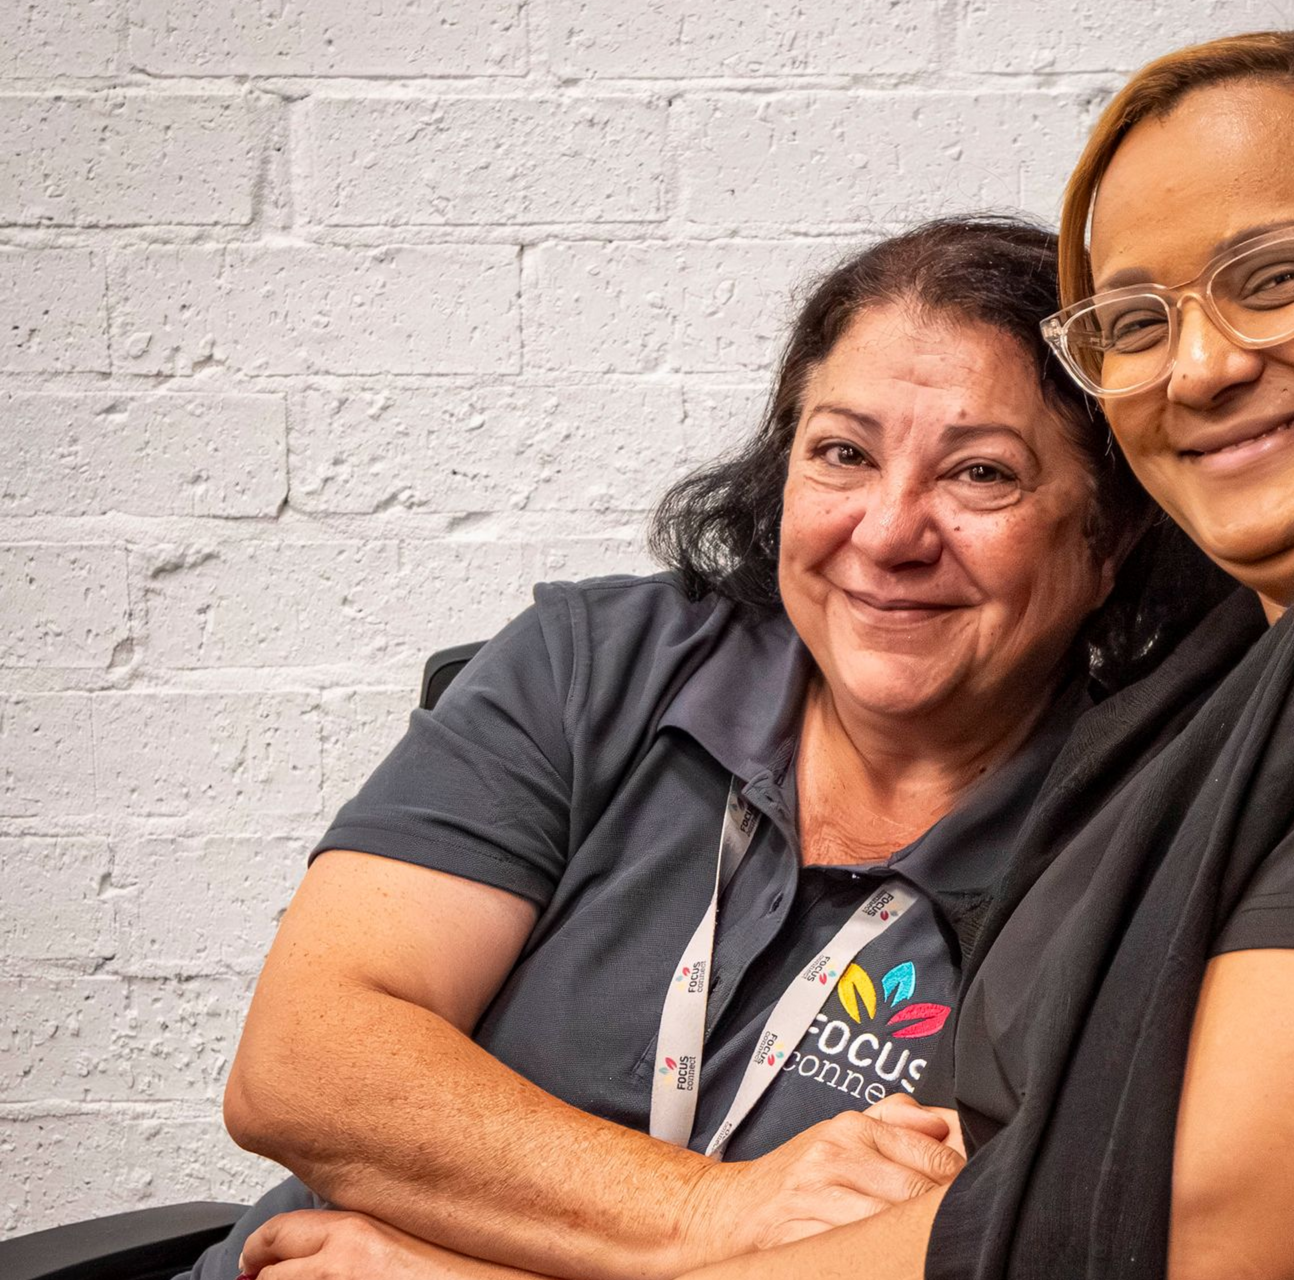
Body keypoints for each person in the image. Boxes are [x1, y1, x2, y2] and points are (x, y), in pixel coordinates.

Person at [237, 26, 1294, 1280]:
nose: (1207, 364)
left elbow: (1174, 1227)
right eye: (1141, 321)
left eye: (1277, 276)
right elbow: (304, 1063)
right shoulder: (1285, 664)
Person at [182, 216, 1220, 1280]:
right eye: (843, 453)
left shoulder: (1126, 850)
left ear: (1112, 535)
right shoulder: (598, 663)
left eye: (982, 474)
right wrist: (715, 1213)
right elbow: (301, 1063)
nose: (890, 531)